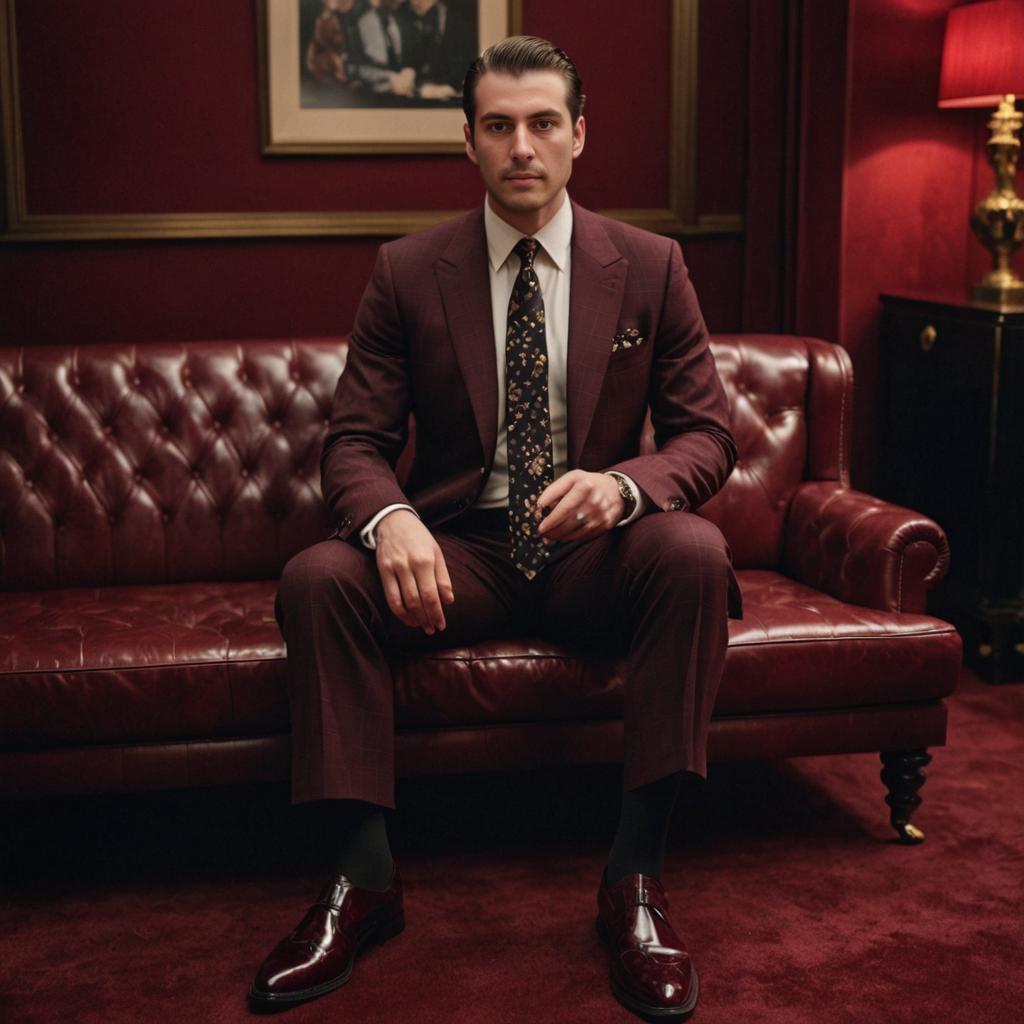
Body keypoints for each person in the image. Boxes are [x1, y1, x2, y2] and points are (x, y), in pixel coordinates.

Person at [249, 35, 741, 1022]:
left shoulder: (649, 266)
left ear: (579, 136)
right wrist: (388, 518)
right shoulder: (406, 270)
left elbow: (706, 436)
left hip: (593, 550)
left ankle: (634, 879)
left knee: (695, 550)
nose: (523, 145)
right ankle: (363, 879)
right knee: (317, 576)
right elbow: (353, 442)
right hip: (461, 551)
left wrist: (624, 489)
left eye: (543, 123)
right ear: (467, 142)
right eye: (499, 125)